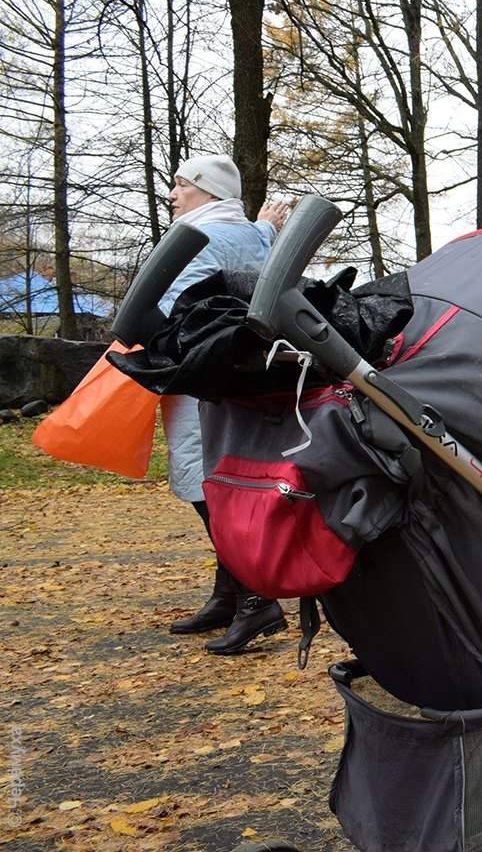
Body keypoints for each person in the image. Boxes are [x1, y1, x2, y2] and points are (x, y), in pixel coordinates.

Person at [160, 154, 291, 654]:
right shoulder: (250, 235)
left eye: (182, 186)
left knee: (205, 485)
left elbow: (171, 309)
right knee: (219, 478)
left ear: (208, 193)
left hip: (198, 377)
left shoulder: (198, 238)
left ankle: (257, 600)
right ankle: (229, 592)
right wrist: (264, 227)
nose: (173, 195)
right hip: (231, 381)